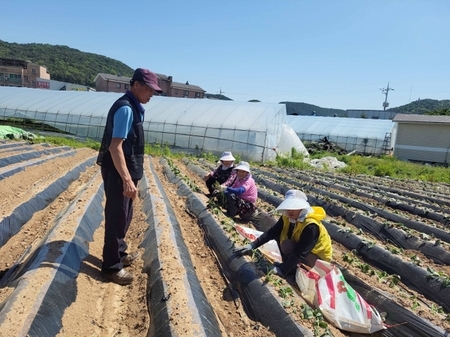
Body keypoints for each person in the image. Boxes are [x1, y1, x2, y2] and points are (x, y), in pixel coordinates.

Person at [96, 68, 162, 285]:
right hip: (117, 171)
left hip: (125, 169)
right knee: (117, 217)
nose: (152, 94)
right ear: (136, 85)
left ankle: (120, 254)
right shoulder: (125, 108)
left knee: (125, 214)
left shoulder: (136, 107)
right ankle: (111, 267)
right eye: (149, 89)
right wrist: (125, 178)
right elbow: (115, 147)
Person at [235, 190, 332, 278]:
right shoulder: (287, 217)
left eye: (295, 207)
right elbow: (272, 232)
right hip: (302, 252)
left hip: (317, 261)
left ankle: (295, 271)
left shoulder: (311, 226)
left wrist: (282, 270)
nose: (290, 210)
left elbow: (299, 253)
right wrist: (252, 245)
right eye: (289, 207)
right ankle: (291, 268)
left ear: (302, 208)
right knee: (283, 241)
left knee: (287, 246)